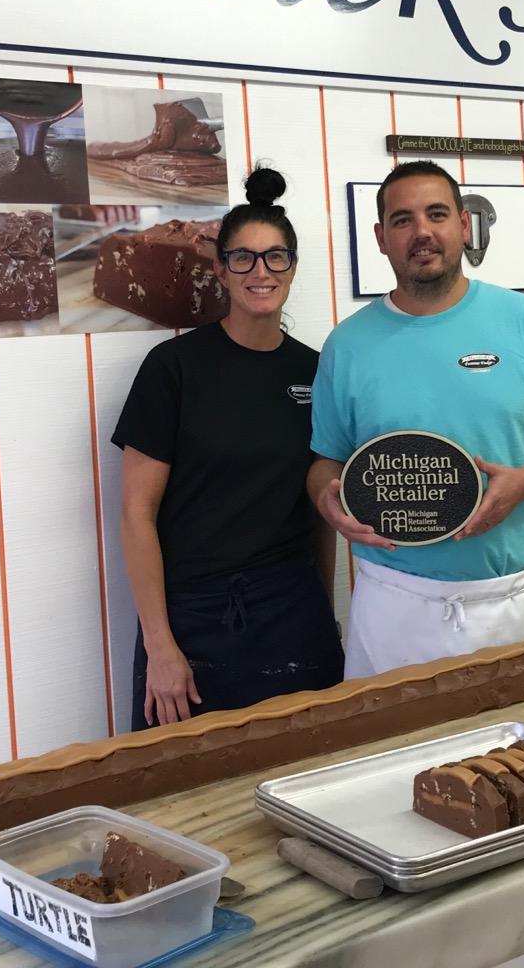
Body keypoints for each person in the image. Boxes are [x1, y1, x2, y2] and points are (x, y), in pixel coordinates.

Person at [308, 160, 524, 678]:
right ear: (381, 238)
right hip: (393, 608)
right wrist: (326, 500)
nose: (422, 232)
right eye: (402, 220)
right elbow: (326, 461)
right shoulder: (347, 345)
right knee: (395, 757)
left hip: (516, 604)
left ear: (465, 225)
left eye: (437, 214)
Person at [113, 167, 343, 728]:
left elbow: (323, 511)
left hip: (293, 611)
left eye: (275, 257)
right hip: (192, 622)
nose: (259, 271)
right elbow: (135, 515)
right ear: (220, 268)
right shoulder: (175, 369)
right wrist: (161, 646)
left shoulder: (316, 371)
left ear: (292, 266)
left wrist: (326, 613)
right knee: (183, 799)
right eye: (242, 257)